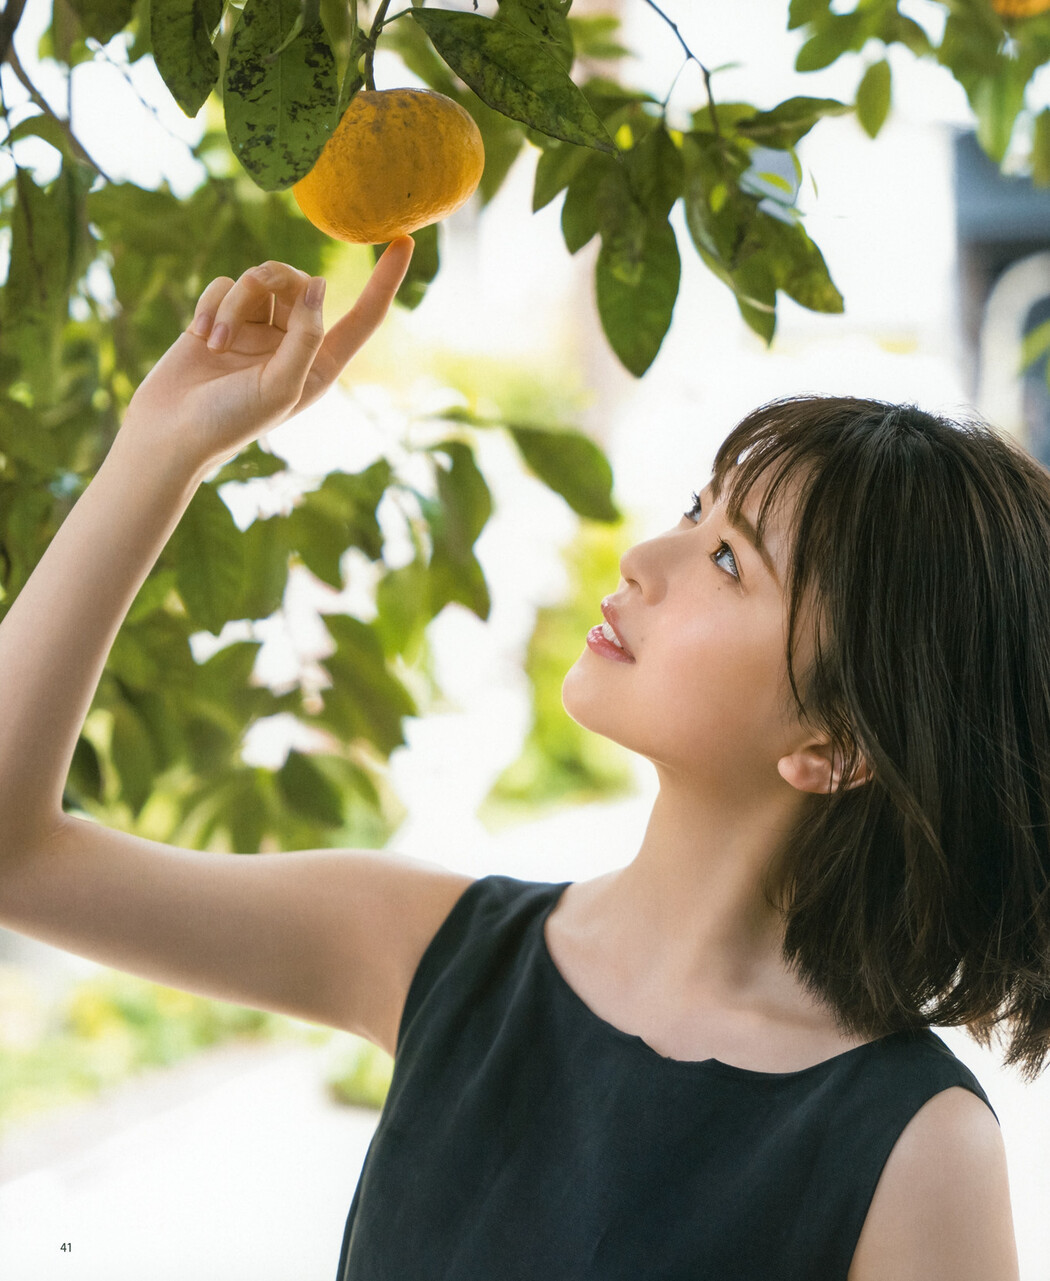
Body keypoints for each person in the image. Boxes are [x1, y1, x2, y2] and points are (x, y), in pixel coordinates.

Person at [0, 241, 1039, 1280]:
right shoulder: (441, 952)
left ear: (839, 744)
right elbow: (15, 858)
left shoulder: (918, 1155)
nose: (645, 558)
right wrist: (164, 446)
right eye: (695, 511)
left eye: (730, 561)